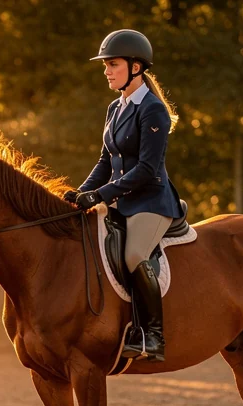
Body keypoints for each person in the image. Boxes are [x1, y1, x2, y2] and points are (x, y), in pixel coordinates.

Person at [68, 29, 183, 363]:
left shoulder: (153, 110)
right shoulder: (114, 108)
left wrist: (101, 194)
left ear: (135, 67)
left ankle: (153, 335)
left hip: (151, 202)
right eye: (106, 65)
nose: (106, 71)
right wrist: (82, 193)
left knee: (134, 255)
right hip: (122, 200)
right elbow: (105, 161)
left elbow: (147, 169)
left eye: (112, 64)